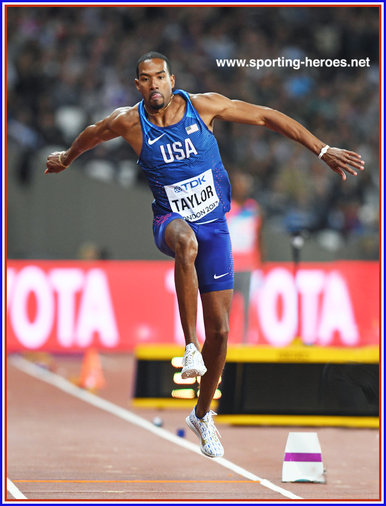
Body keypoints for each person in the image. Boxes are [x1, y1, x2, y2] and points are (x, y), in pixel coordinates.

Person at [45, 51, 365, 458]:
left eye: (161, 76)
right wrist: (66, 158)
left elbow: (266, 116)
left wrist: (321, 150)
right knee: (185, 243)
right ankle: (189, 346)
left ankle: (201, 414)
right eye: (146, 79)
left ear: (171, 78)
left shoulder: (202, 106)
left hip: (216, 229)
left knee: (224, 335)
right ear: (138, 86)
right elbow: (92, 132)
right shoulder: (129, 121)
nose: (155, 84)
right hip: (170, 224)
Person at [227, 170, 264, 343]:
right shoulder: (225, 207)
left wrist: (260, 262)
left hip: (249, 266)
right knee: (226, 308)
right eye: (240, 183)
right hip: (228, 267)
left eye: (246, 183)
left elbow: (258, 236)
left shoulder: (253, 208)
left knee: (248, 307)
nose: (243, 187)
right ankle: (225, 341)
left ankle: (246, 341)